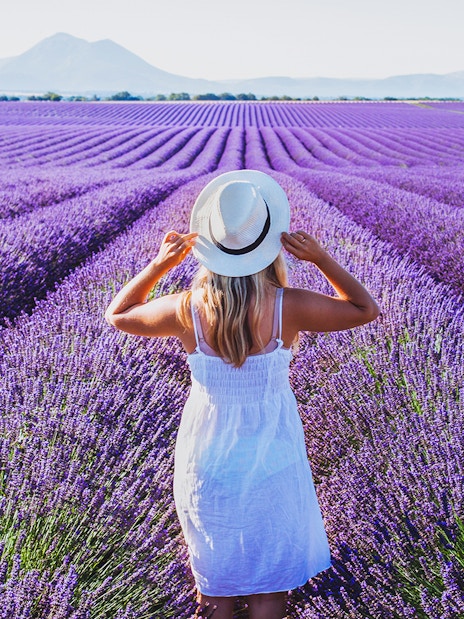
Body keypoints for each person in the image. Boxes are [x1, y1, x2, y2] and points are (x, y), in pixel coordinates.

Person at [105, 170, 380, 619]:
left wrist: (160, 265)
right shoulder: (288, 306)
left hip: (207, 456)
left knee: (215, 583)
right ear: (270, 244)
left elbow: (119, 314)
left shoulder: (186, 308)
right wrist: (323, 258)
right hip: (275, 452)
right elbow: (364, 310)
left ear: (211, 247)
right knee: (271, 584)